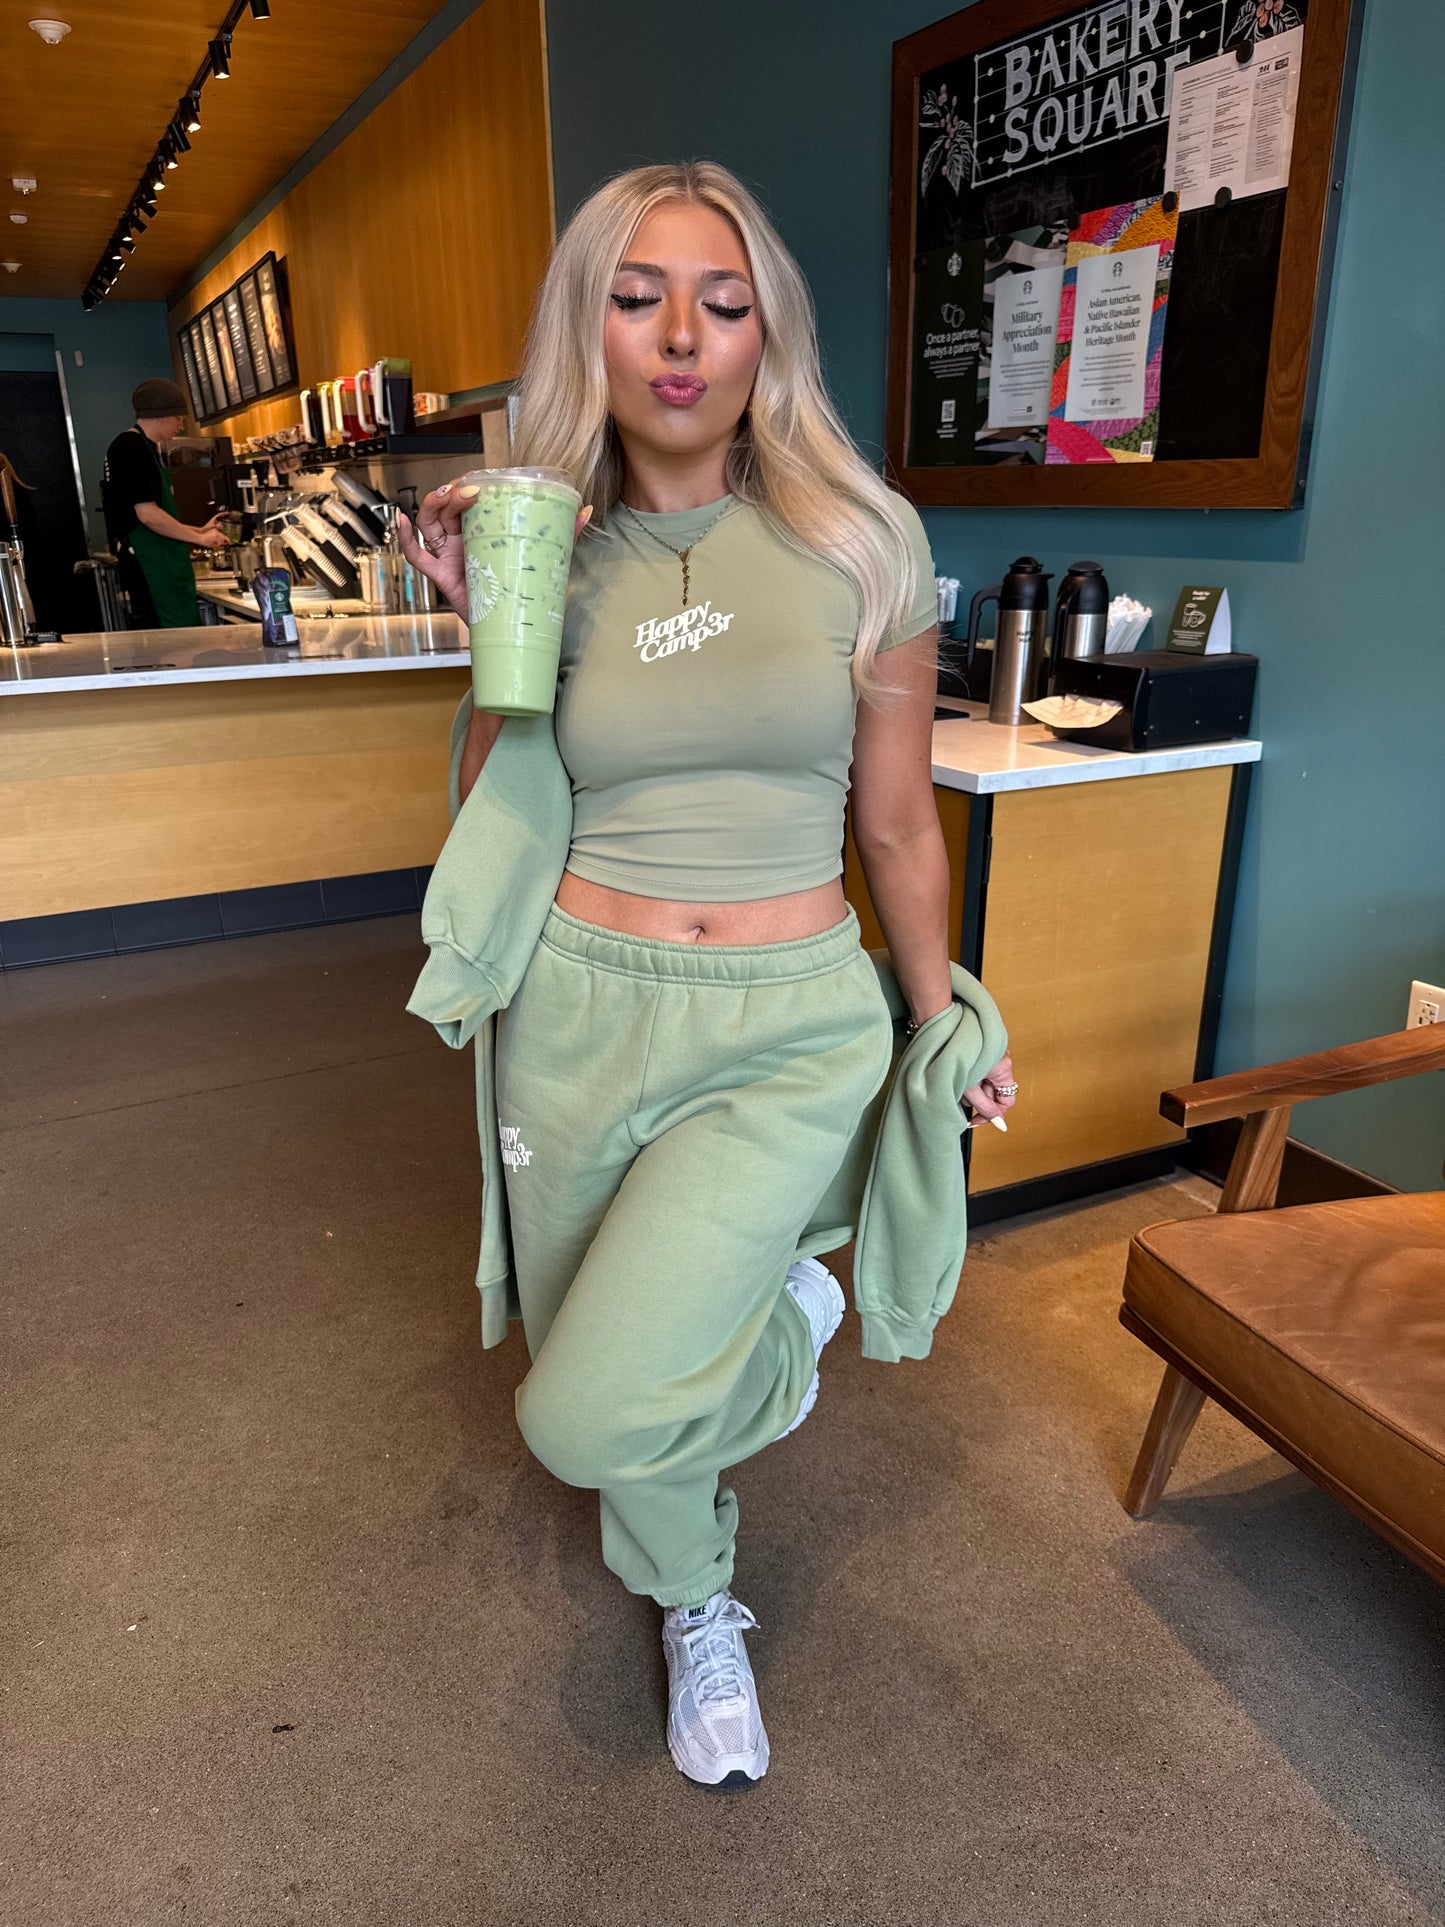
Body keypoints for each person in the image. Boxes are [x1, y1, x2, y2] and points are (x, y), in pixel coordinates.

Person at [398, 161, 1018, 1790]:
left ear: (766, 334)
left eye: (722, 302)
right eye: (637, 297)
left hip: (786, 1020)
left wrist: (941, 1014)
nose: (681, 336)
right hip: (576, 1011)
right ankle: (696, 1597)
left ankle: (792, 1311)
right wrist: (488, 640)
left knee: (583, 1409)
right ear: (586, 327)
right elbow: (501, 814)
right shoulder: (547, 547)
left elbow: (898, 821)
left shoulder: (864, 540)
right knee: (609, 1341)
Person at [101, 378, 226, 628]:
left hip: (156, 561)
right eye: (179, 418)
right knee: (168, 642)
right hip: (150, 566)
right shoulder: (131, 447)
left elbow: (154, 513)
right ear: (162, 416)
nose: (181, 425)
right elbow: (147, 515)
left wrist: (199, 531)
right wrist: (199, 539)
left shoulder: (143, 447)